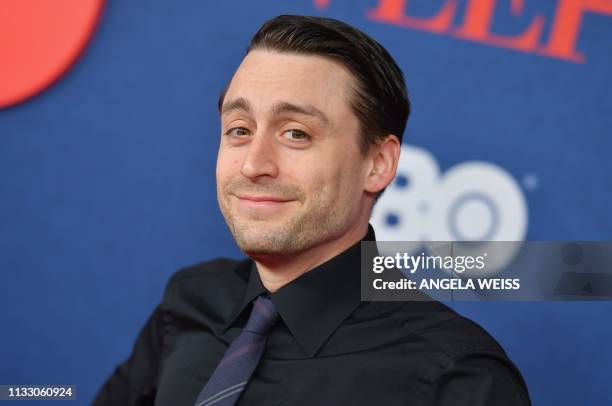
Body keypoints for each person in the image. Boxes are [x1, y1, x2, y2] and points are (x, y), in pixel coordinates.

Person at [94, 14, 531, 406]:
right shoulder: (189, 302)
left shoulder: (456, 377)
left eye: (296, 134)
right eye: (239, 129)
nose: (253, 164)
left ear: (377, 164)